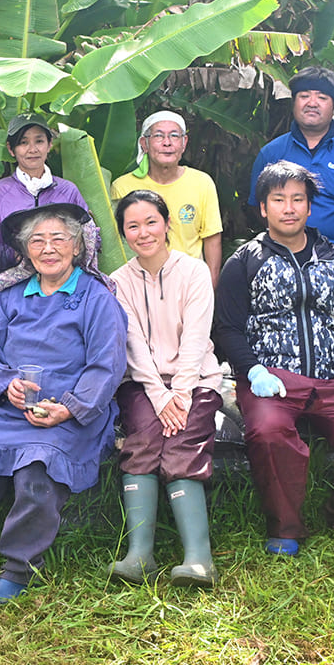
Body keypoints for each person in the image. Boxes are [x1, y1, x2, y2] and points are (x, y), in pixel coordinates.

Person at [0, 203, 127, 603]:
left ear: (77, 246)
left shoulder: (96, 298)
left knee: (37, 469)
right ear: (26, 251)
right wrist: (6, 384)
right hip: (12, 410)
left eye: (58, 239)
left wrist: (69, 408)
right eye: (37, 241)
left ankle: (18, 567)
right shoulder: (10, 297)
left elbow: (107, 364)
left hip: (69, 414)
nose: (48, 248)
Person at [213, 161, 334, 554]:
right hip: (273, 379)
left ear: (310, 207)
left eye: (298, 199)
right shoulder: (244, 261)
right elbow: (227, 328)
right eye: (279, 199)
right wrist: (253, 370)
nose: (289, 208)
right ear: (263, 208)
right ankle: (286, 528)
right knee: (269, 432)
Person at [109, 190, 223, 587]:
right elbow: (133, 344)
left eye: (151, 222)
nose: (143, 233)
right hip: (143, 384)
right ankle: (139, 555)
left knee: (182, 443)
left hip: (196, 381)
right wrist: (160, 396)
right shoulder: (118, 282)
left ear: (167, 224)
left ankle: (199, 559)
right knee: (142, 441)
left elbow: (196, 337)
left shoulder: (194, 272)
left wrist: (182, 393)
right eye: (133, 226)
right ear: (123, 233)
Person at [248, 67, 334, 270]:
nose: (312, 103)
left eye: (322, 97)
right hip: (282, 263)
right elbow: (257, 206)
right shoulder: (271, 153)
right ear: (294, 102)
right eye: (304, 96)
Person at [0, 114, 90, 323]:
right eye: (23, 143)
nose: (32, 149)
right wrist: (9, 255)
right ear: (11, 149)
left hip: (58, 292)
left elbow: (88, 237)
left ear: (49, 145)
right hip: (2, 293)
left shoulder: (68, 191)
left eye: (39, 141)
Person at [110, 111, 224, 284]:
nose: (167, 142)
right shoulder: (122, 187)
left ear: (184, 143)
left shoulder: (202, 182)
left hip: (190, 283)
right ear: (144, 144)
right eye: (158, 136)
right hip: (140, 286)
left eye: (174, 136)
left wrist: (211, 285)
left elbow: (212, 239)